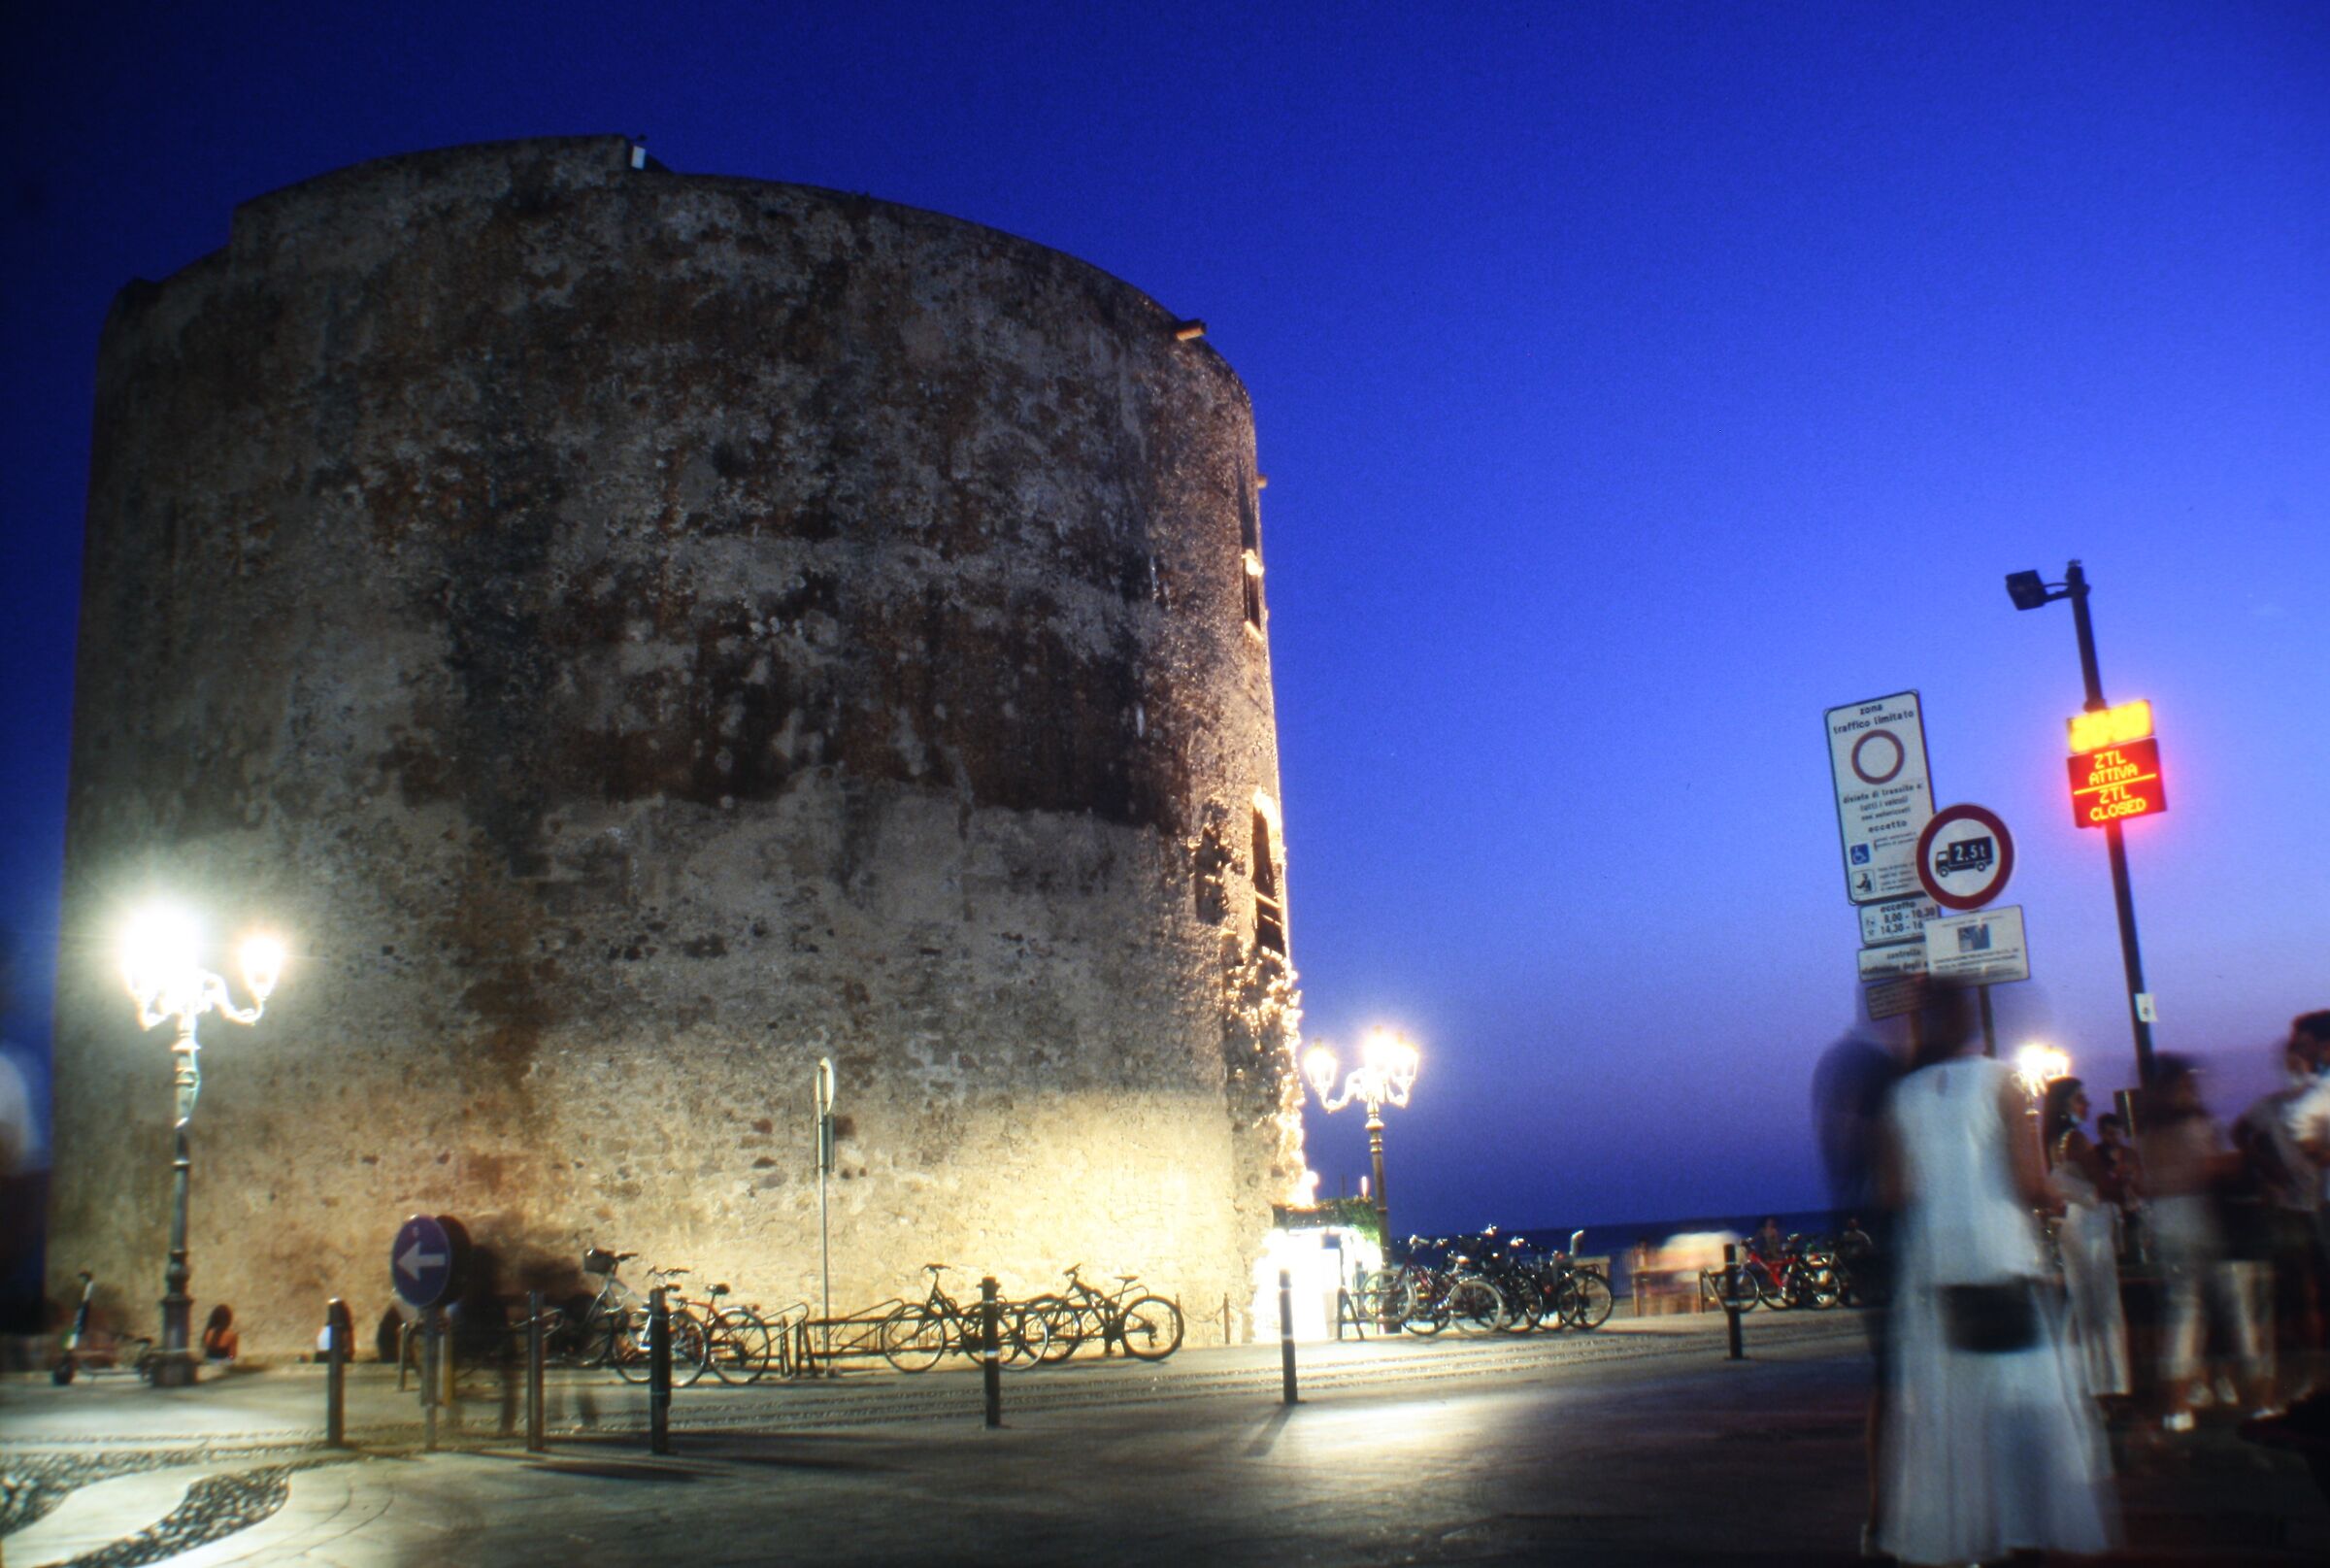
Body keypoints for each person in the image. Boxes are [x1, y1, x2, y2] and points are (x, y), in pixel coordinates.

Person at [1876, 980, 2114, 1565]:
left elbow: (1895, 1191)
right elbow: (2030, 1182)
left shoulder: (1900, 1097)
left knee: (1955, 1418)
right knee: (2025, 1411)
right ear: (1972, 1018)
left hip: (1936, 1270)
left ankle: (1965, 1540)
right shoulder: (2002, 1081)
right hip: (1999, 1261)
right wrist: (2061, 1200)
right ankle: (2021, 1534)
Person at [2143, 1054, 2267, 1427]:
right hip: (2199, 1218)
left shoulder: (2148, 1130)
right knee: (2238, 1309)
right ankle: (2257, 1397)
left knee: (2183, 1312)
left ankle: (2177, 1407)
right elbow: (2207, 1168)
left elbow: (2147, 1180)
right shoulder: (2194, 1123)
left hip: (2165, 1220)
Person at [2043, 1077, 2131, 1398]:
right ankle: (2110, 1381)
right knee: (2104, 1303)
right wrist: (2121, 1182)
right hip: (2091, 1225)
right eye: (2081, 1098)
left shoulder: (2053, 1142)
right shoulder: (2077, 1140)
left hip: (2073, 1225)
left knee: (2082, 1302)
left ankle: (2085, 1379)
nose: (2087, 1104)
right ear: (2067, 1103)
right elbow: (2103, 1184)